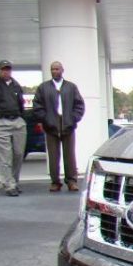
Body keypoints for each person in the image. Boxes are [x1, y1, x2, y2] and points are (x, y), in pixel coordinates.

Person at [33, 61, 85, 192]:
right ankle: (55, 182)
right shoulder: (43, 88)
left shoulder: (71, 87)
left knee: (70, 155)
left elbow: (79, 105)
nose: (54, 71)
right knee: (53, 155)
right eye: (52, 69)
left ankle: (71, 181)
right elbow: (37, 106)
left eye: (57, 69)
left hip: (68, 124)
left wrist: (73, 119)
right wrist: (45, 119)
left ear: (62, 70)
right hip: (51, 126)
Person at [0, 60, 27, 197]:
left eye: (8, 69)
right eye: (3, 69)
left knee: (18, 154)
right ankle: (9, 185)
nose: (6, 71)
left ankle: (14, 181)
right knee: (6, 157)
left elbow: (21, 103)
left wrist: (22, 118)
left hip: (17, 121)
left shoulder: (16, 85)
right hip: (0, 122)